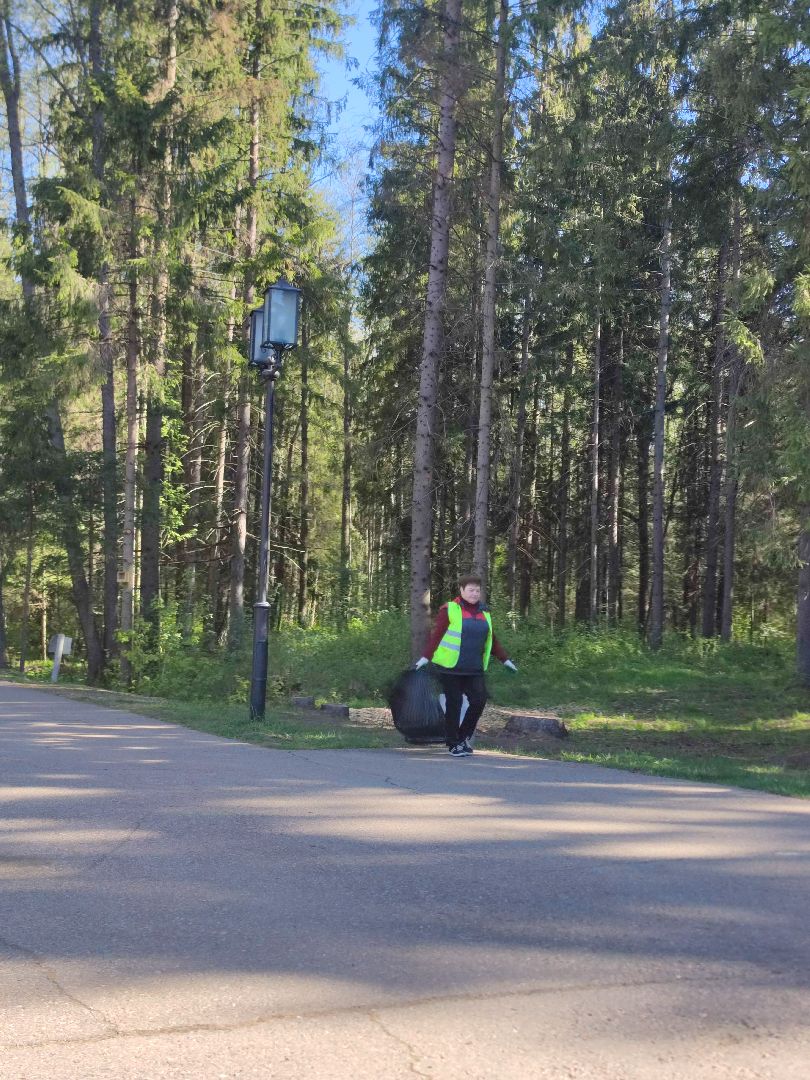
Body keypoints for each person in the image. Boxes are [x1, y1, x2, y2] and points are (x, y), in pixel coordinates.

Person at [415, 574, 517, 756]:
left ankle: (462, 737)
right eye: (470, 590)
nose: (474, 593)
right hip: (450, 668)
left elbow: (491, 640)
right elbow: (436, 636)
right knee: (454, 704)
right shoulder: (450, 609)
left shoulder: (485, 613)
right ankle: (453, 744)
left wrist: (505, 660)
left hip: (474, 668)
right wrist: (425, 658)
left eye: (477, 590)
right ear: (461, 590)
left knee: (479, 700)